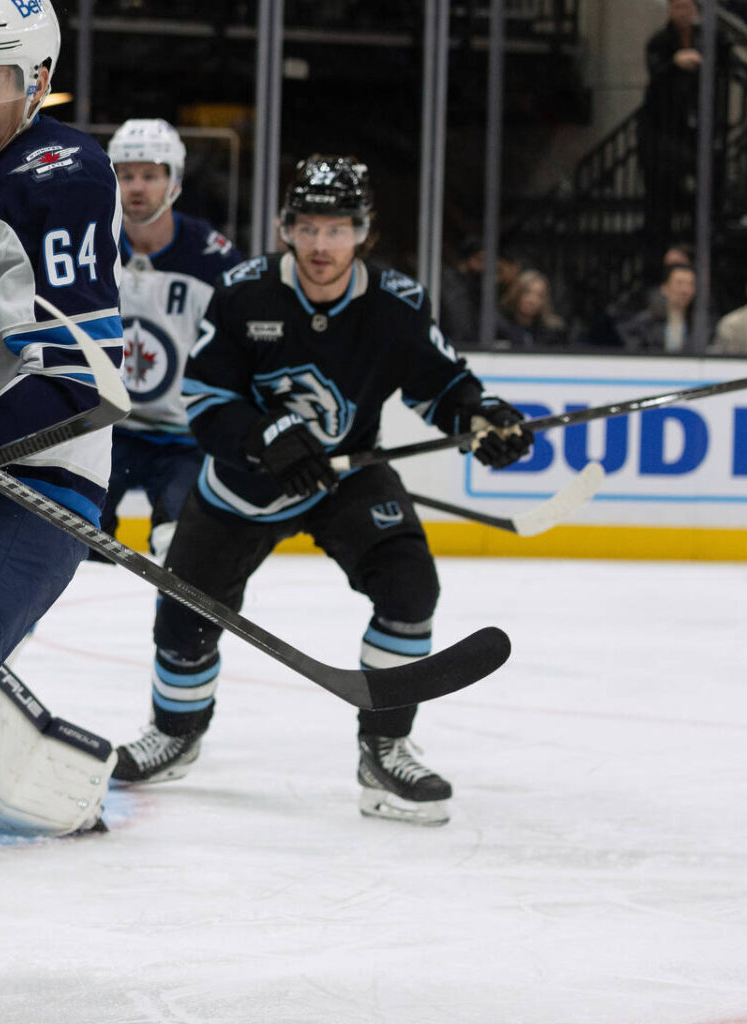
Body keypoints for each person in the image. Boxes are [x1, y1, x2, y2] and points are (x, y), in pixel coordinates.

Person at [110, 156, 534, 829]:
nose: (320, 246)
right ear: (284, 227)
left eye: (337, 229)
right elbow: (206, 398)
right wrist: (266, 435)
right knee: (185, 615)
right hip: (243, 483)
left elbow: (442, 384)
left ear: (362, 232)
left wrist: (483, 420)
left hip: (344, 477)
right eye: (306, 228)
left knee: (409, 586)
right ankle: (177, 731)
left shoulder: (396, 302)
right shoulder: (245, 293)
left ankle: (384, 747)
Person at [98, 117, 243, 559]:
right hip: (105, 431)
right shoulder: (90, 243)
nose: (137, 187)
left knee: (178, 544)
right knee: (76, 532)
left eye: (151, 175)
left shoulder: (213, 259)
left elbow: (241, 349)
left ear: (174, 182)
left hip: (185, 438)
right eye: (125, 175)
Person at [639, 0, 704, 250]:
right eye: (676, 6)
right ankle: (658, 245)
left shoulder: (704, 39)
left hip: (690, 127)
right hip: (660, 128)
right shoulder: (660, 41)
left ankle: (690, 235)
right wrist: (675, 63)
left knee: (696, 184)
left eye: (686, 7)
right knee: (660, 194)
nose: (681, 12)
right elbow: (655, 73)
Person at [619, 263, 697, 353]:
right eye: (679, 283)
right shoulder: (644, 325)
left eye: (690, 284)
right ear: (665, 288)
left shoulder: (701, 325)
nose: (685, 290)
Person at [495, 268, 569, 349]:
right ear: (517, 293)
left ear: (544, 301)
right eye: (527, 292)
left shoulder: (553, 332)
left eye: (539, 295)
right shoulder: (499, 326)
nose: (532, 300)